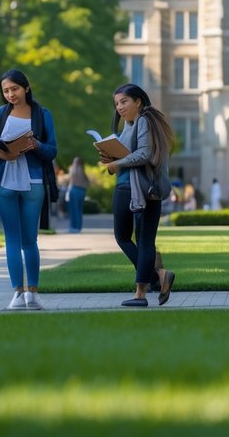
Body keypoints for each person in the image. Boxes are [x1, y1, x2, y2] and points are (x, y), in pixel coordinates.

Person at [0, 69, 58, 310]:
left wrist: (34, 144)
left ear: (26, 88)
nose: (10, 94)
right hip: (5, 181)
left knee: (30, 240)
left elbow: (52, 151)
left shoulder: (42, 115)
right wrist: (1, 151)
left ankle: (33, 293)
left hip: (33, 182)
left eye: (14, 89)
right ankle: (17, 292)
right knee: (12, 240)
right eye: (6, 90)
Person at [98, 83, 176, 307]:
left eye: (124, 102)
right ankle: (157, 278)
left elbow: (144, 154)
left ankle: (147, 288)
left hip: (135, 188)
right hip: (137, 188)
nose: (119, 107)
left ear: (138, 101)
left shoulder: (144, 121)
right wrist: (110, 158)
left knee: (127, 238)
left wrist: (117, 164)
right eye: (117, 104)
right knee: (142, 241)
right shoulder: (130, 125)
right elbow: (129, 153)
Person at [67, 156, 89, 233]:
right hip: (81, 191)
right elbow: (87, 182)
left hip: (74, 190)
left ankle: (74, 227)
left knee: (73, 209)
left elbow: (71, 180)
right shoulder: (82, 171)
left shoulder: (74, 169)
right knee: (78, 210)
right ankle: (78, 227)